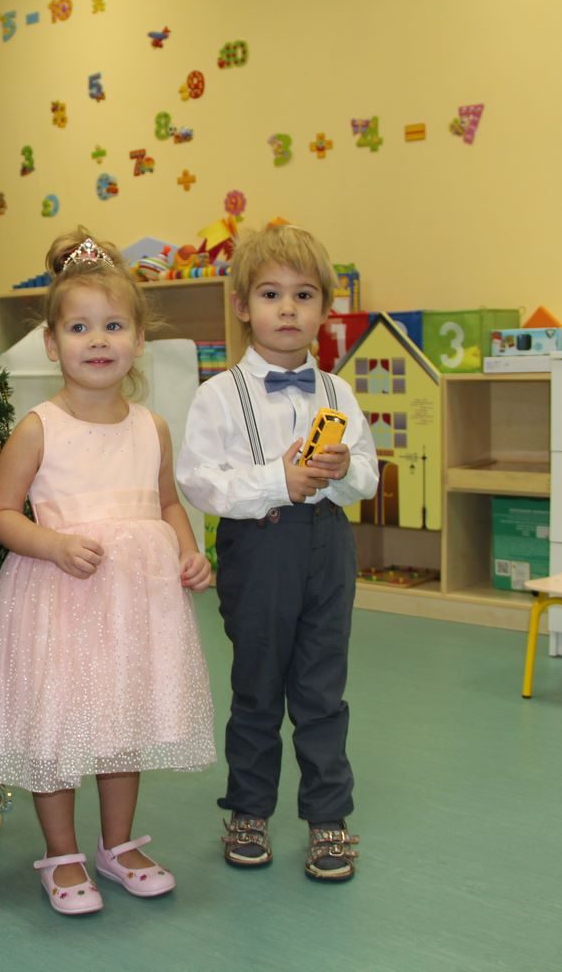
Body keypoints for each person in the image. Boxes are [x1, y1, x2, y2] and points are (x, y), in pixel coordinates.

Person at [0, 229, 215, 916]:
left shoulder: (152, 428)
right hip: (60, 604)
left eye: (113, 326)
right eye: (78, 327)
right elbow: (1, 513)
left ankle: (118, 845)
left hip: (134, 610)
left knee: (121, 725)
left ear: (138, 340)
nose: (97, 340)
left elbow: (166, 502)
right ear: (52, 344)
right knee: (59, 725)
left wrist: (188, 551)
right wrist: (51, 545)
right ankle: (63, 852)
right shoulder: (39, 427)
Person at [176, 222, 378, 882]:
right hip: (258, 549)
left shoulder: (339, 393)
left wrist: (341, 469)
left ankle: (328, 816)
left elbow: (368, 478)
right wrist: (276, 481)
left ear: (324, 308)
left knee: (323, 690)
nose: (287, 309)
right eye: (270, 294)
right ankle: (249, 810)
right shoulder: (216, 395)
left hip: (328, 548)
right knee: (258, 688)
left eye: (303, 295)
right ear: (242, 306)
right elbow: (198, 480)